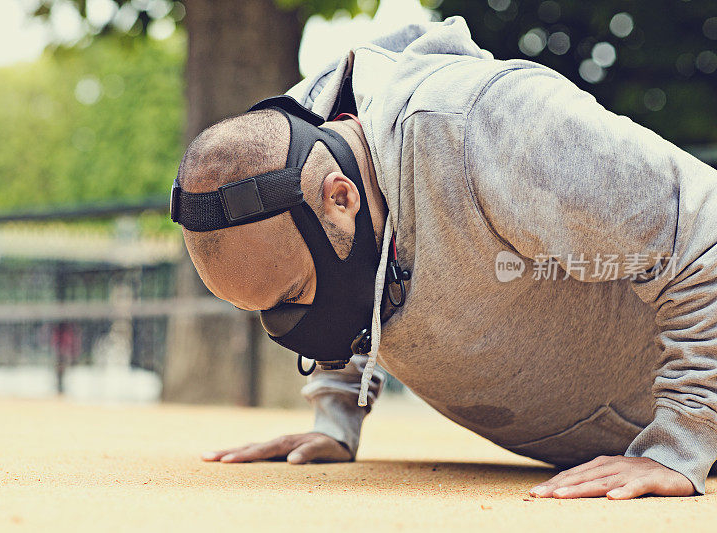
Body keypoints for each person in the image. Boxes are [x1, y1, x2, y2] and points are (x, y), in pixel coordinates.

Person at [174, 17, 717, 499]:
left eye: (292, 296)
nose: (288, 322)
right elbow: (355, 274)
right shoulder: (306, 146)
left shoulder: (491, 128)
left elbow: (704, 229)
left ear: (341, 198)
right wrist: (335, 418)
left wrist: (681, 439)